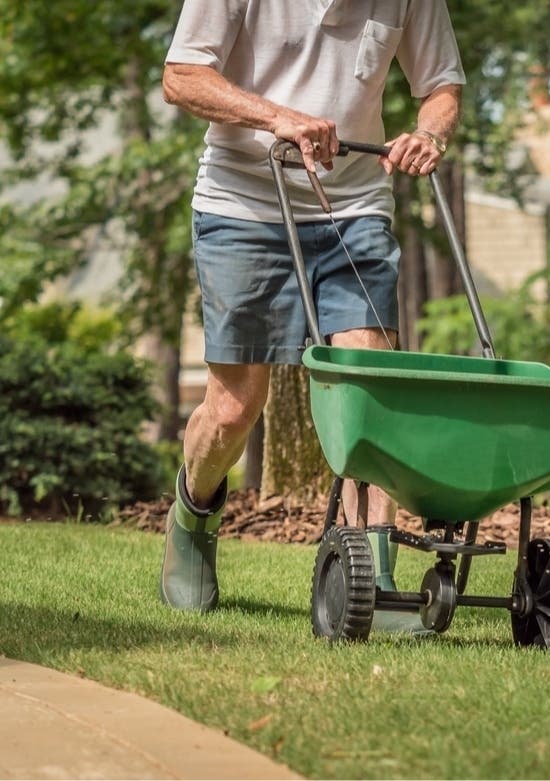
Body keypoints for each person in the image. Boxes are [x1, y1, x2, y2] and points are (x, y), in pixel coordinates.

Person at [159, 0, 465, 619]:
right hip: (241, 204)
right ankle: (192, 518)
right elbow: (182, 76)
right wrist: (278, 117)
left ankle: (371, 574)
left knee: (368, 397)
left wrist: (428, 133)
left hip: (353, 209)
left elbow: (441, 86)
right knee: (235, 408)